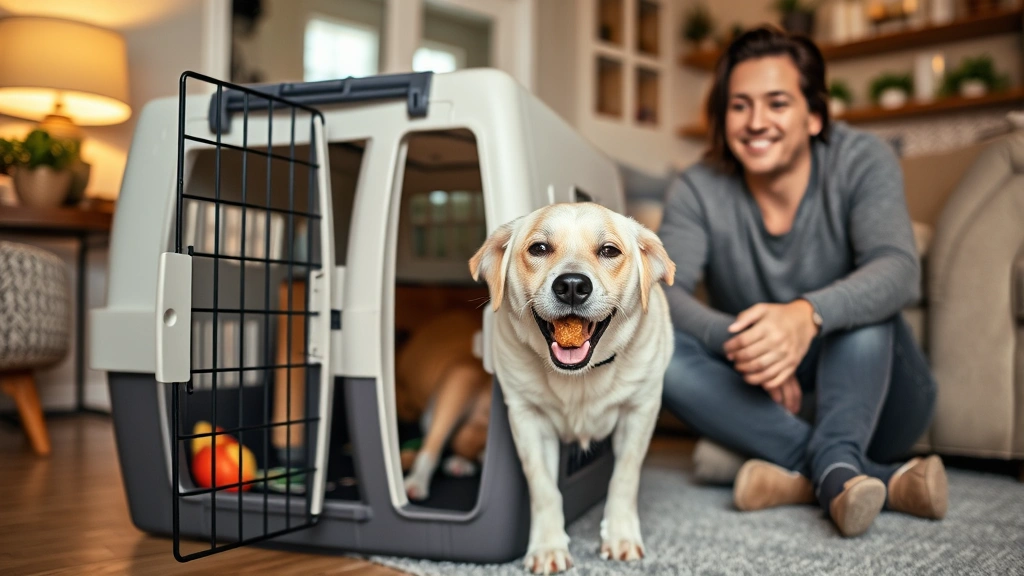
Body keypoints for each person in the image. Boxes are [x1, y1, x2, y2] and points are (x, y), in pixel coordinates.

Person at [658, 26, 947, 537]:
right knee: (653, 346)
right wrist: (746, 345)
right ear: (723, 119)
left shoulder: (862, 159)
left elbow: (899, 269)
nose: (755, 122)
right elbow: (663, 288)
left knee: (865, 302)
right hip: (766, 396)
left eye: (777, 103)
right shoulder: (697, 187)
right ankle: (838, 472)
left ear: (814, 115)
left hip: (879, 395)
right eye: (739, 106)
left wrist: (805, 317)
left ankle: (809, 466)